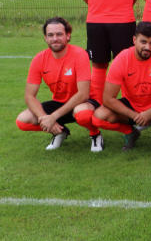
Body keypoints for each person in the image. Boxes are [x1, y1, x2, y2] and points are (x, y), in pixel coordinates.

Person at [91, 21, 151, 151]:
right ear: (134, 40)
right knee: (99, 116)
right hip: (132, 107)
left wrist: (150, 113)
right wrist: (134, 115)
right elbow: (108, 98)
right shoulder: (122, 59)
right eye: (143, 42)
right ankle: (130, 132)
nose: (148, 47)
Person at [16, 17, 100, 150]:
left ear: (68, 36)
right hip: (60, 102)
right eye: (50, 35)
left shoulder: (79, 55)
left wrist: (53, 117)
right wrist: (44, 118)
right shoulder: (39, 59)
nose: (55, 38)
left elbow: (83, 94)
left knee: (82, 114)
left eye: (59, 34)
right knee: (22, 120)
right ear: (45, 38)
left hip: (85, 101)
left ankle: (95, 134)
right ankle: (59, 132)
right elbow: (29, 96)